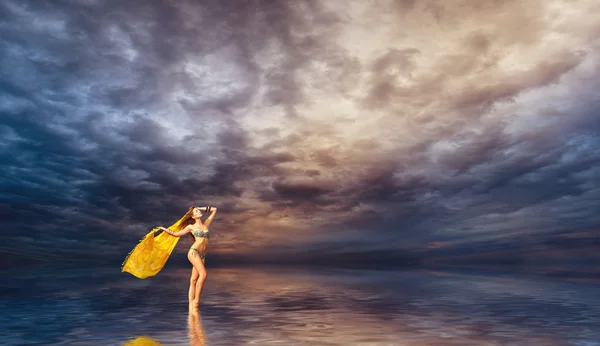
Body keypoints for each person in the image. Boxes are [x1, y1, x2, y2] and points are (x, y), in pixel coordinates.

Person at [157, 205, 217, 313]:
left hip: (202, 255)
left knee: (193, 280)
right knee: (203, 274)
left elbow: (214, 209)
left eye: (198, 210)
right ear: (193, 216)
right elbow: (175, 234)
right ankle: (196, 302)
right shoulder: (190, 227)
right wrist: (163, 229)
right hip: (194, 252)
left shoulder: (205, 224)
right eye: (196, 211)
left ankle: (191, 307)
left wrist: (199, 207)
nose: (198, 211)